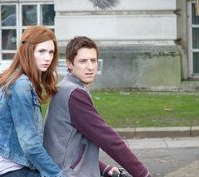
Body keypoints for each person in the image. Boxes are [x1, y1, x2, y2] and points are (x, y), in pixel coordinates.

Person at [44, 36, 152, 177]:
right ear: (70, 64)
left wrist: (104, 168)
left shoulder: (65, 88)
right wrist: (143, 174)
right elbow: (109, 140)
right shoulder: (74, 94)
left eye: (93, 61)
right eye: (83, 61)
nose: (90, 67)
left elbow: (74, 146)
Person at [0, 25, 65, 177]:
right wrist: (57, 174)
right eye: (41, 51)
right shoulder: (21, 86)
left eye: (51, 52)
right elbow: (30, 144)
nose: (47, 57)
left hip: (10, 166)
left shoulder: (20, 80)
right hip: (7, 170)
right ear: (28, 51)